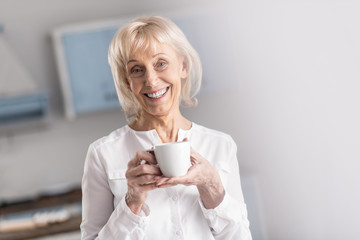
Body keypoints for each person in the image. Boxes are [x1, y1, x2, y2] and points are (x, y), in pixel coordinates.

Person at [80, 15, 252, 240]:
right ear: (127, 81)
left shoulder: (221, 145)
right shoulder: (102, 154)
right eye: (137, 70)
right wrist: (131, 202)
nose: (151, 80)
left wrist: (212, 186)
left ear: (183, 66)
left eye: (160, 63)